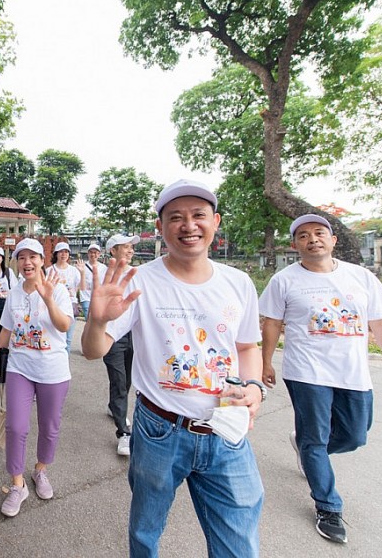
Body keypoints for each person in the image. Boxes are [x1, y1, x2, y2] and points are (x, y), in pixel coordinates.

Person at [82, 179, 265, 558]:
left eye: (198, 215)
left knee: (239, 543)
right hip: (160, 430)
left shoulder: (238, 283)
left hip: (226, 430)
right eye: (176, 217)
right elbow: (92, 350)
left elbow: (247, 346)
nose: (189, 225)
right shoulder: (141, 281)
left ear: (215, 222)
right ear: (161, 227)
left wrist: (254, 386)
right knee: (146, 531)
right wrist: (97, 321)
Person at [258, 214, 382, 545]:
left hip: (352, 371)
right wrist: (265, 362)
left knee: (356, 435)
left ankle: (305, 446)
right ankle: (328, 506)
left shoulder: (361, 277)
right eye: (302, 235)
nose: (312, 239)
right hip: (306, 371)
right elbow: (271, 322)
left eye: (319, 233)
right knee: (316, 439)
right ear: (295, 244)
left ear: (333, 240)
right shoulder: (284, 280)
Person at [0, 238, 74, 517]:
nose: (27, 262)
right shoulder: (14, 293)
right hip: (20, 367)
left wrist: (48, 298)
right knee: (16, 426)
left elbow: (64, 325)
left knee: (49, 427)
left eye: (33, 257)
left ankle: (41, 470)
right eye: (22, 257)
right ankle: (17, 484)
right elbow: (5, 328)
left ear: (42, 260)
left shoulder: (57, 289)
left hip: (53, 369)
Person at [96, 234, 141, 456]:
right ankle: (124, 433)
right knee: (119, 380)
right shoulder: (104, 277)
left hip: (134, 335)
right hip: (112, 335)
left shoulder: (138, 274)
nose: (130, 250)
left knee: (128, 380)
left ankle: (115, 406)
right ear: (113, 251)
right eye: (125, 246)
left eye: (131, 247)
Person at [47, 241, 84, 352]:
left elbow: (82, 288)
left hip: (70, 304)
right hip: (55, 304)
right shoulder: (49, 270)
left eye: (66, 252)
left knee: (68, 339)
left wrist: (82, 273)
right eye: (61, 252)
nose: (63, 254)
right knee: (53, 336)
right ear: (56, 254)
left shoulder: (74, 270)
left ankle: (64, 365)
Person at [77, 242, 105, 322]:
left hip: (100, 298)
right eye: (91, 252)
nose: (93, 254)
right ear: (88, 253)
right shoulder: (82, 266)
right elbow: (81, 286)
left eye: (95, 252)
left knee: (98, 322)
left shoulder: (103, 268)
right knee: (89, 321)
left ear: (99, 254)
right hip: (86, 298)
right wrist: (82, 273)